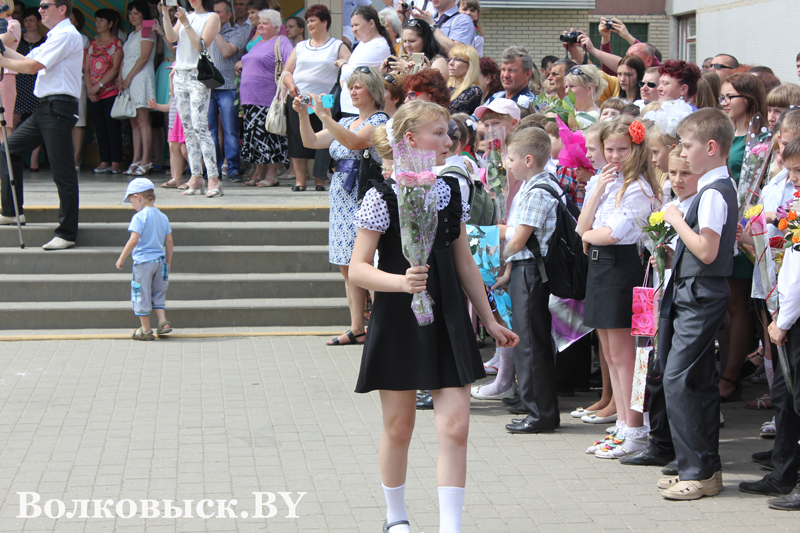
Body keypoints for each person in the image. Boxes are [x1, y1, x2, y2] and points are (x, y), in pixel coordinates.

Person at [349, 99, 517, 533]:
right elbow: (357, 268)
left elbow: (464, 263)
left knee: (456, 425)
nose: (449, 140)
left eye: (448, 132)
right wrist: (400, 282)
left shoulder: (451, 191)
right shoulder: (380, 196)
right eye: (439, 133)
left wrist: (491, 319)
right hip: (398, 314)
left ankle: (450, 527)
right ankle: (396, 517)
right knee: (399, 425)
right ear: (410, 139)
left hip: (448, 316)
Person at [655, 108, 738, 500]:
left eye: (688, 146)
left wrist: (675, 219)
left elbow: (706, 250)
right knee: (696, 379)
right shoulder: (712, 189)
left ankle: (697, 469)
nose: (682, 154)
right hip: (694, 290)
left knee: (678, 378)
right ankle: (704, 468)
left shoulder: (713, 192)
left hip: (701, 292)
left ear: (710, 147)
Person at [577, 116, 659, 459]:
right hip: (600, 268)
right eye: (609, 149)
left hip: (623, 268)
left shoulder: (639, 188)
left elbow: (610, 234)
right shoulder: (604, 181)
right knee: (611, 355)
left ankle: (636, 428)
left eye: (622, 149)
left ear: (635, 149)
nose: (614, 156)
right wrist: (595, 191)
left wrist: (587, 235)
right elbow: (582, 225)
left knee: (629, 356)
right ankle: (624, 425)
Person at [294, 66, 388, 347]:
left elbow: (357, 142)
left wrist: (324, 116)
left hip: (364, 198)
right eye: (351, 86)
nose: (353, 91)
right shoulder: (346, 120)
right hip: (342, 198)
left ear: (373, 90)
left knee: (365, 265)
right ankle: (357, 327)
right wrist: (303, 115)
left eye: (359, 86)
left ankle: (384, 324)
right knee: (347, 267)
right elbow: (311, 141)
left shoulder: (380, 119)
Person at [493, 126, 563, 434]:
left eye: (510, 158)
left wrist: (497, 243)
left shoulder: (536, 191)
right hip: (528, 270)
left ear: (529, 159)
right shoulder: (541, 185)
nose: (507, 163)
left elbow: (520, 238)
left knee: (530, 344)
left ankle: (540, 414)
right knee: (531, 342)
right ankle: (538, 408)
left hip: (533, 272)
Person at [0, 0, 83, 250]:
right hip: (46, 107)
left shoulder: (67, 34)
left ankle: (67, 233)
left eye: (46, 5)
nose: (40, 10)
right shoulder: (55, 35)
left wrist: (2, 60)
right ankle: (13, 211)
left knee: (63, 171)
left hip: (58, 107)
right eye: (40, 5)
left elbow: (31, 67)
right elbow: (26, 57)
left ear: (62, 9)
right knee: (8, 149)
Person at [719, 72, 767, 401]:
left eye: (729, 97)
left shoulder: (758, 140)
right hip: (719, 224)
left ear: (748, 99)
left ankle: (731, 376)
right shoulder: (725, 134)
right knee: (724, 304)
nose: (723, 102)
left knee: (739, 306)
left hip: (744, 229)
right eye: (721, 97)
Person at [764, 136, 800, 511]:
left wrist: (784, 320)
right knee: (790, 398)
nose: (794, 179)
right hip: (789, 309)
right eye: (789, 171)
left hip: (794, 314)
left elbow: (799, 276)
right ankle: (785, 473)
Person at [282, 5, 347, 192]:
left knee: (325, 139)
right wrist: (290, 84)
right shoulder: (300, 46)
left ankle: (320, 180)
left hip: (326, 100)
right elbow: (287, 70)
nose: (309, 24)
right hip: (299, 98)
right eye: (308, 20)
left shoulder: (337, 45)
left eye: (313, 20)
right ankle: (300, 181)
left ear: (325, 22)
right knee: (297, 140)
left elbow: (350, 67)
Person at [159, 0, 221, 197]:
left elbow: (202, 45)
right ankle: (195, 175)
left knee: (200, 126)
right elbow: (171, 38)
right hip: (180, 74)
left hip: (198, 74)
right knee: (187, 128)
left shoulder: (211, 17)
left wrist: (186, 22)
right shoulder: (186, 14)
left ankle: (213, 177)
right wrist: (165, 13)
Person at [235, 9, 292, 188]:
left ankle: (272, 174)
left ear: (276, 26)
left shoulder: (281, 41)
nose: (260, 25)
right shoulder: (257, 43)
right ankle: (259, 172)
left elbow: (291, 64)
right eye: (259, 22)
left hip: (268, 98)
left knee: (269, 137)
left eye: (265, 23)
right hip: (249, 100)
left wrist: (285, 88)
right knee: (254, 138)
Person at [115, 178, 174, 342]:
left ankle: (146, 330)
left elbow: (134, 240)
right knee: (158, 292)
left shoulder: (139, 217)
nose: (132, 205)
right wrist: (168, 262)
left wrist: (121, 258)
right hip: (160, 261)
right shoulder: (163, 216)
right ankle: (163, 322)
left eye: (131, 201)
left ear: (138, 197)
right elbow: (169, 242)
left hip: (143, 263)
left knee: (141, 293)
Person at [206, 0, 247, 184]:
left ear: (229, 15)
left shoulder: (236, 33)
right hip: (207, 88)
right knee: (211, 131)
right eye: (212, 13)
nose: (214, 16)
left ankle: (233, 168)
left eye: (219, 13)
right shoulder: (205, 33)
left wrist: (214, 31)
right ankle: (213, 169)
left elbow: (226, 52)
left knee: (230, 130)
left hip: (228, 87)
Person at [120, 0, 157, 176]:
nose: (132, 16)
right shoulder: (131, 33)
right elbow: (125, 58)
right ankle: (136, 159)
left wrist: (128, 77)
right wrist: (121, 77)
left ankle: (146, 160)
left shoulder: (148, 27)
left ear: (144, 14)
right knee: (133, 121)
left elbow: (144, 57)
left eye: (136, 13)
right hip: (129, 78)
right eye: (130, 13)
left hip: (141, 77)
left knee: (143, 120)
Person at [85, 8, 123, 175]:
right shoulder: (91, 45)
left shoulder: (116, 44)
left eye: (102, 20)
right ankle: (103, 161)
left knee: (112, 127)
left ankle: (115, 162)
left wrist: (97, 86)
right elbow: (86, 69)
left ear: (111, 23)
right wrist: (90, 90)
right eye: (97, 20)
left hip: (110, 91)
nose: (98, 23)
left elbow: (115, 69)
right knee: (99, 128)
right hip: (93, 93)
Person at [338, 6, 392, 118]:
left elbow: (351, 74)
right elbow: (346, 77)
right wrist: (345, 74)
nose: (354, 29)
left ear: (371, 23)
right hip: (351, 106)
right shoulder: (363, 43)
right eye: (352, 26)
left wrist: (342, 64)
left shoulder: (377, 46)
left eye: (357, 25)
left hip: (361, 109)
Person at [13, 7, 44, 171]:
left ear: (39, 22)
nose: (29, 23)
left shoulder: (45, 41)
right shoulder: (18, 40)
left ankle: (34, 161)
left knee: (36, 122)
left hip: (36, 84)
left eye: (32, 20)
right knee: (13, 120)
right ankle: (8, 154)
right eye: (26, 21)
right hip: (19, 83)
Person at [396, 0, 472, 56]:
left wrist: (432, 26)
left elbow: (456, 53)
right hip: (428, 74)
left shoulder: (463, 20)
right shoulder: (431, 19)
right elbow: (409, 50)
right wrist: (404, 21)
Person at [482, 46, 535, 110]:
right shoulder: (496, 97)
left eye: (511, 70)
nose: (505, 75)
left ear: (527, 74)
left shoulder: (530, 103)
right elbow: (472, 119)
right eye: (503, 69)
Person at [0, 0, 21, 140]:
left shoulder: (12, 24)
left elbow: (1, 41)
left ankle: (4, 160)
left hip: (5, 76)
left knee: (3, 125)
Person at [446, 43, 480, 114]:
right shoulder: (444, 88)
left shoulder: (473, 91)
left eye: (457, 59)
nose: (451, 63)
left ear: (469, 65)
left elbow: (449, 112)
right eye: (450, 59)